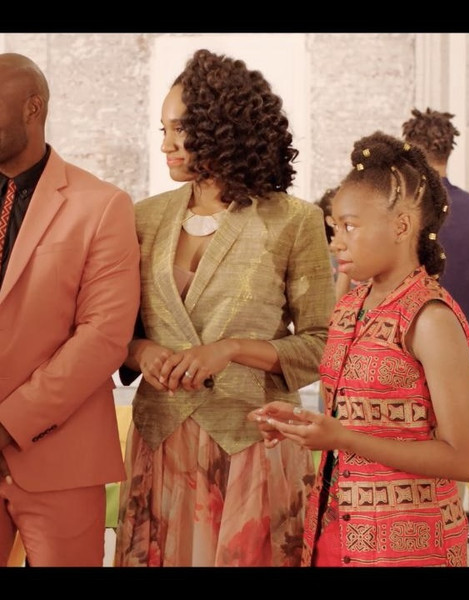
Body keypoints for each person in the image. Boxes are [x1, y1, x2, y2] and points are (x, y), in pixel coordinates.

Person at [114, 48, 335, 567]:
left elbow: (323, 345)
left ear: (222, 128)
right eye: (163, 130)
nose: (165, 144)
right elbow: (113, 332)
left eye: (180, 129)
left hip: (252, 445)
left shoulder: (293, 220)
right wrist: (142, 352)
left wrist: (232, 349)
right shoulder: (142, 218)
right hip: (159, 443)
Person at [249, 131, 469, 567]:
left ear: (401, 226)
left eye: (350, 226)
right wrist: (301, 424)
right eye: (334, 227)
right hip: (334, 527)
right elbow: (353, 418)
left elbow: (466, 459)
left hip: (408, 546)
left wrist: (341, 437)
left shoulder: (430, 318)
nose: (336, 241)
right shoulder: (350, 307)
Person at [0, 53, 140, 567]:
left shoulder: (101, 205)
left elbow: (104, 337)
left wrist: (8, 424)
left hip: (58, 456)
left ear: (32, 108)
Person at [402, 107, 469, 360]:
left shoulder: (403, 207)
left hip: (407, 344)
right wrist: (465, 319)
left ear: (411, 152)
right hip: (460, 341)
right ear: (448, 152)